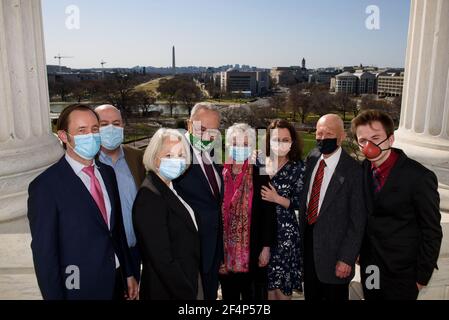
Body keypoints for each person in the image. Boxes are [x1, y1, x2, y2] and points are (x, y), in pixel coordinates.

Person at [27, 104, 138, 300]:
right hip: (79, 287)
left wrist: (128, 272)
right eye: (82, 130)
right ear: (63, 136)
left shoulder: (107, 173)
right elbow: (45, 255)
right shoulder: (45, 187)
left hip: (116, 281)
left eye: (95, 129)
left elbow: (116, 230)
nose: (91, 135)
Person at [351, 110, 442, 300]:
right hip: (371, 267)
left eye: (376, 137)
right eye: (362, 140)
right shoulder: (363, 169)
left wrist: (421, 277)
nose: (369, 145)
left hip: (403, 274)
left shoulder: (419, 177)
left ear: (390, 139)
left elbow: (431, 230)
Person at [299, 114, 366, 301]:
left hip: (336, 257)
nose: (322, 137)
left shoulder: (354, 171)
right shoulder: (312, 158)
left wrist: (347, 258)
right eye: (319, 133)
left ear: (342, 137)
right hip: (309, 250)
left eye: (329, 133)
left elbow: (358, 221)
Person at [133, 128, 201, 300]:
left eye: (180, 155)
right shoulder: (150, 196)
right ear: (155, 158)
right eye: (169, 155)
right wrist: (187, 294)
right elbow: (162, 259)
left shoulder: (169, 187)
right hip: (167, 290)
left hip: (182, 279)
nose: (176, 161)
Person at [218, 123, 277, 300]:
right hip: (225, 255)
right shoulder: (220, 173)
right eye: (235, 143)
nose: (240, 148)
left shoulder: (260, 172)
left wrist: (266, 248)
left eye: (245, 145)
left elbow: (268, 212)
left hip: (253, 253)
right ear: (228, 145)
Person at [173, 102, 223, 300]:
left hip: (213, 250)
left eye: (213, 130)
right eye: (201, 128)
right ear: (188, 124)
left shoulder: (213, 152)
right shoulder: (175, 154)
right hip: (188, 252)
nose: (207, 135)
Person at [95, 104, 146, 281]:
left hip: (137, 248)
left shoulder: (137, 158)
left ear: (123, 126)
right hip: (107, 254)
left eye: (116, 123)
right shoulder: (89, 163)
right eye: (104, 124)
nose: (111, 128)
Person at [260, 119, 306, 300]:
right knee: (266, 288)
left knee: (281, 290)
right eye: (276, 139)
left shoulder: (298, 168)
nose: (280, 143)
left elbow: (301, 202)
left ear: (292, 142)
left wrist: (277, 198)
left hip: (284, 235)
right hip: (261, 232)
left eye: (285, 140)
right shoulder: (259, 163)